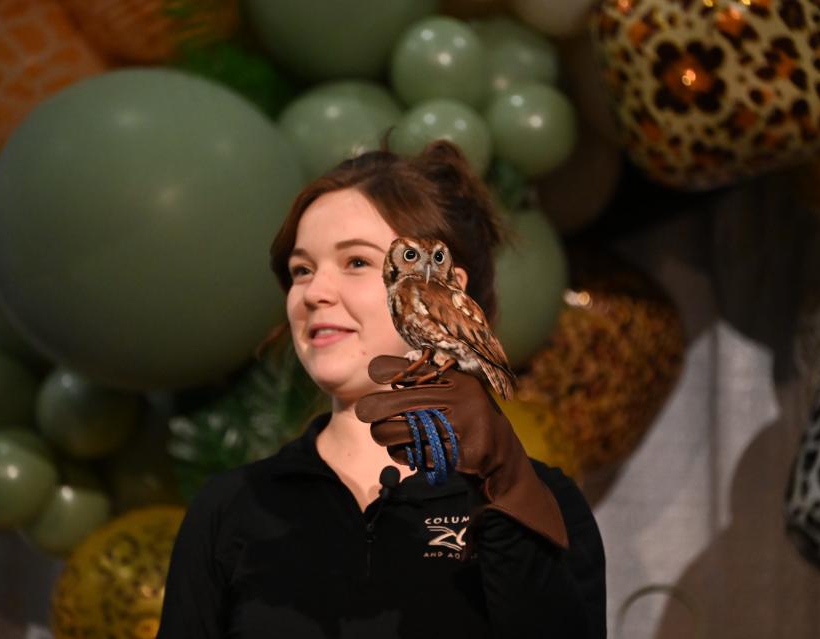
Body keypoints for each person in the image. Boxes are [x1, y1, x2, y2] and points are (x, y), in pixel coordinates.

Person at [156, 141, 606, 639]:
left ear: (448, 285)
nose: (315, 292)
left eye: (356, 263)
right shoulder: (232, 507)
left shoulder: (541, 501)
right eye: (301, 270)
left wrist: (507, 491)